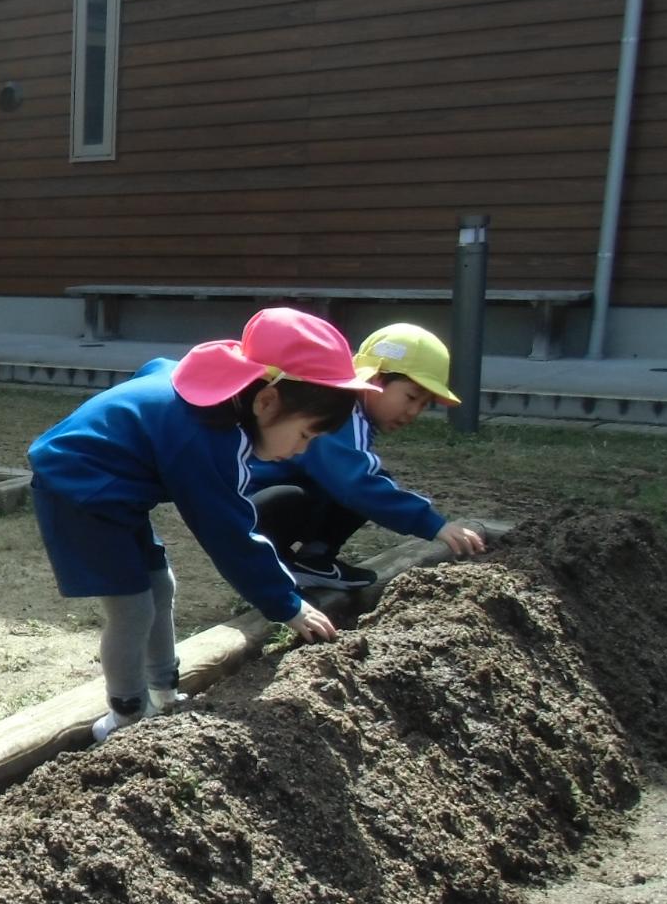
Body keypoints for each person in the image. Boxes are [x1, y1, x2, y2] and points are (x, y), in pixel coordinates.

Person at [29, 307, 379, 743]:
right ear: (267, 401)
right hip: (77, 489)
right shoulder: (209, 437)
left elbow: (154, 371)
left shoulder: (209, 395)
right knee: (132, 607)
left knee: (161, 585)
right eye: (305, 435)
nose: (302, 450)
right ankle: (123, 717)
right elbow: (229, 534)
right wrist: (287, 604)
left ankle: (165, 693)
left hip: (114, 489)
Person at [247, 322, 487, 590]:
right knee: (359, 486)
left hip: (266, 502)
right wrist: (433, 524)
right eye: (411, 396)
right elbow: (354, 483)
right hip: (251, 508)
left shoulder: (353, 413)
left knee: (373, 482)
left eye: (423, 404)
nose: (413, 412)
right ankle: (272, 566)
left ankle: (314, 559)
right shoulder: (336, 410)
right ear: (375, 378)